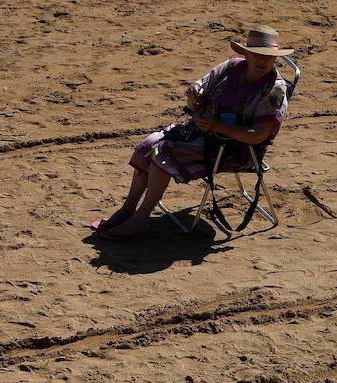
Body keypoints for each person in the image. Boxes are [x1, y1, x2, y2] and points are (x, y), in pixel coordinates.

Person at [92, 26, 292, 240]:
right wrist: (193, 96)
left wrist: (216, 126)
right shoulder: (232, 67)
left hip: (235, 149)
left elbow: (258, 135)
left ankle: (142, 218)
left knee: (163, 152)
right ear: (246, 53)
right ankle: (128, 209)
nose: (262, 61)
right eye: (257, 54)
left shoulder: (274, 90)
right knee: (148, 145)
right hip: (201, 134)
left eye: (268, 57)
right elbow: (201, 89)